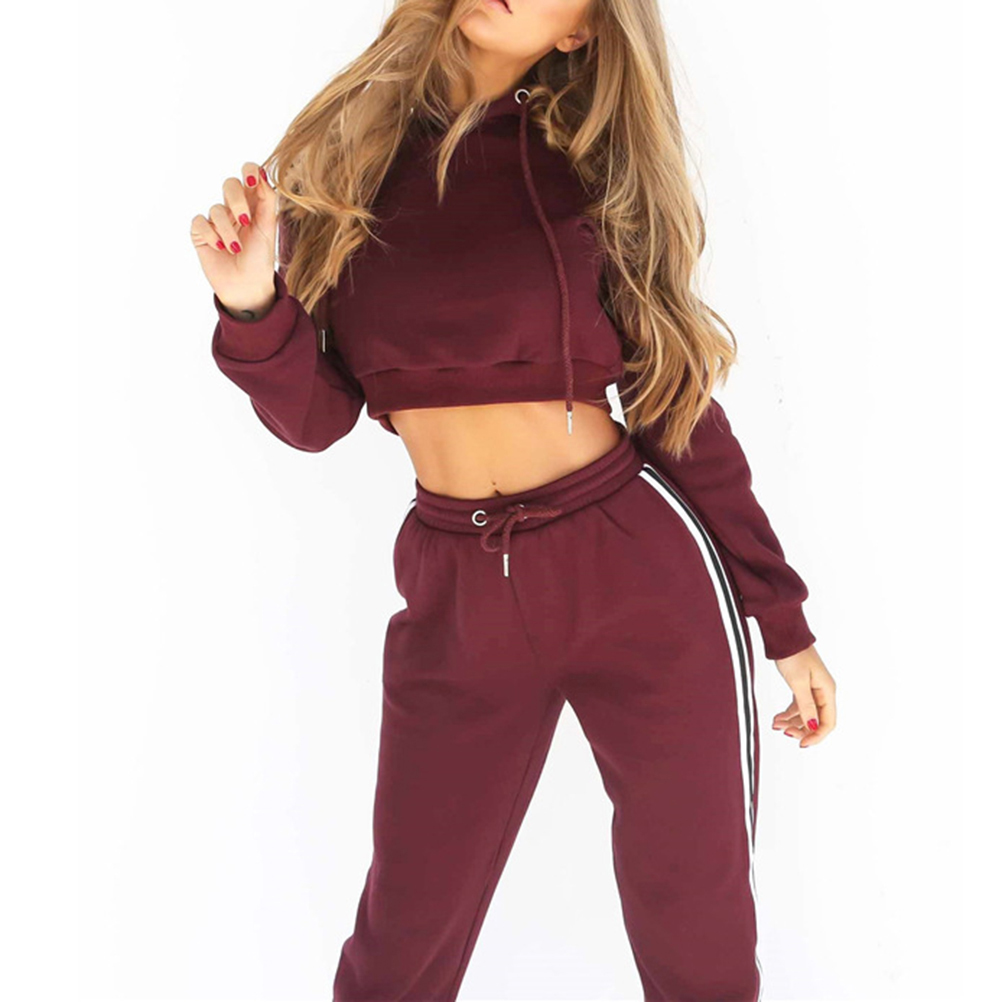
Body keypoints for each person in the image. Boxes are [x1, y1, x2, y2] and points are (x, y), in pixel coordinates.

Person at [190, 1, 837, 998]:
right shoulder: (348, 169)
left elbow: (675, 404)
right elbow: (318, 419)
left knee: (698, 941)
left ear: (580, 31)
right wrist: (251, 306)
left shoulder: (589, 172)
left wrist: (781, 620)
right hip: (457, 588)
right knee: (399, 949)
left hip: (635, 571)